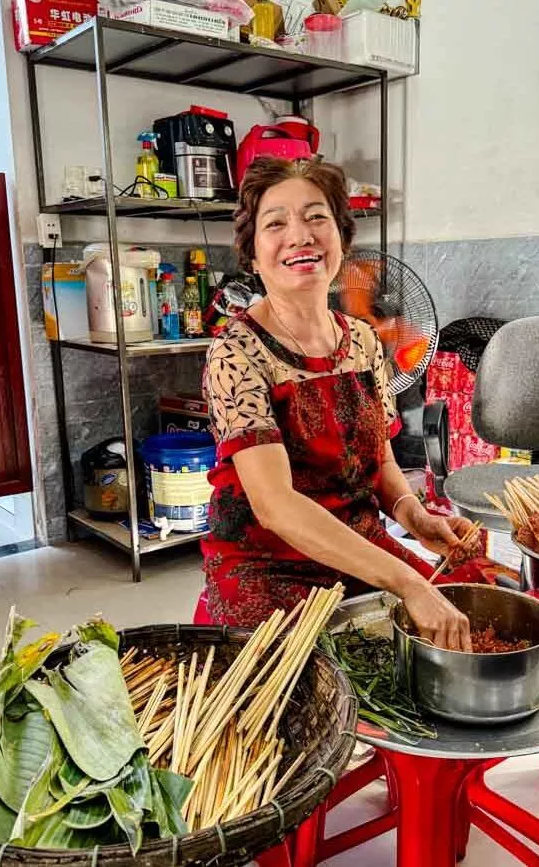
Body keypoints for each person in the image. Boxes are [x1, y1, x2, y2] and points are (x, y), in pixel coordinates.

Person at [193, 156, 487, 651]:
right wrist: (408, 582)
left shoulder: (364, 340)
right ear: (253, 255)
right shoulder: (235, 352)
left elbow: (379, 461)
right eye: (276, 224)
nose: (300, 236)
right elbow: (276, 506)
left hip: (361, 547)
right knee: (310, 683)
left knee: (471, 618)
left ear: (342, 240)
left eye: (316, 217)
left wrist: (413, 517)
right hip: (267, 565)